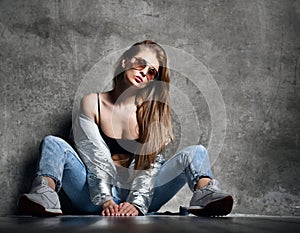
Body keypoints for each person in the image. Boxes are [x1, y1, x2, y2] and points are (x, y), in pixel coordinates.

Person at [17, 40, 233, 217]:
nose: (144, 73)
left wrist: (137, 204)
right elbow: (95, 157)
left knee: (197, 152)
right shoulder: (93, 103)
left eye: (151, 72)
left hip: (142, 196)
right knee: (53, 143)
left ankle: (205, 194)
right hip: (92, 196)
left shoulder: (152, 113)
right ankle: (44, 193)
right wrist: (106, 199)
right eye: (140, 63)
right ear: (124, 61)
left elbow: (149, 167)